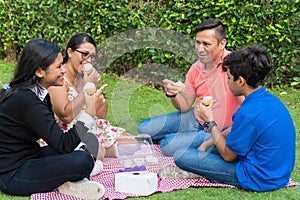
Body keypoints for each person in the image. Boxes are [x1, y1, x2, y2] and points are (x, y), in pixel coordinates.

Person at [173, 45, 296, 192]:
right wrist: (207, 143)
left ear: (241, 81)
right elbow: (237, 130)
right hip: (278, 173)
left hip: (258, 178)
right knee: (224, 132)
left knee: (181, 155)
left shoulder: (247, 113)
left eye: (229, 78)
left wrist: (210, 121)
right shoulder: (270, 101)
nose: (228, 82)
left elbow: (228, 156)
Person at [0, 38, 105, 199]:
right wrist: (89, 112)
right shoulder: (26, 99)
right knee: (83, 160)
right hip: (12, 174)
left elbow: (56, 138)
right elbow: (63, 145)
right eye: (58, 67)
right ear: (39, 71)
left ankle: (72, 182)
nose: (63, 70)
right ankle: (77, 180)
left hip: (31, 157)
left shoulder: (39, 94)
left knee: (87, 145)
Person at [137, 18, 243, 156]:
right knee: (144, 128)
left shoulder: (235, 65)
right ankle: (187, 138)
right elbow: (185, 105)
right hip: (196, 118)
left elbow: (250, 109)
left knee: (167, 145)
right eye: (198, 42)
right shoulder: (196, 68)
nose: (200, 49)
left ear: (222, 43)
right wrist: (173, 94)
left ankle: (186, 140)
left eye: (206, 44)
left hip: (218, 128)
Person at [48, 33, 131, 159]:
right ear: (70, 52)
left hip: (91, 126)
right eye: (84, 54)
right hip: (70, 133)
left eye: (92, 57)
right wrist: (86, 88)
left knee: (133, 144)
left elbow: (102, 114)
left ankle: (100, 154)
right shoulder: (59, 78)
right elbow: (66, 116)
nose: (88, 60)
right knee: (96, 150)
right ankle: (97, 156)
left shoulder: (85, 76)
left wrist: (98, 99)